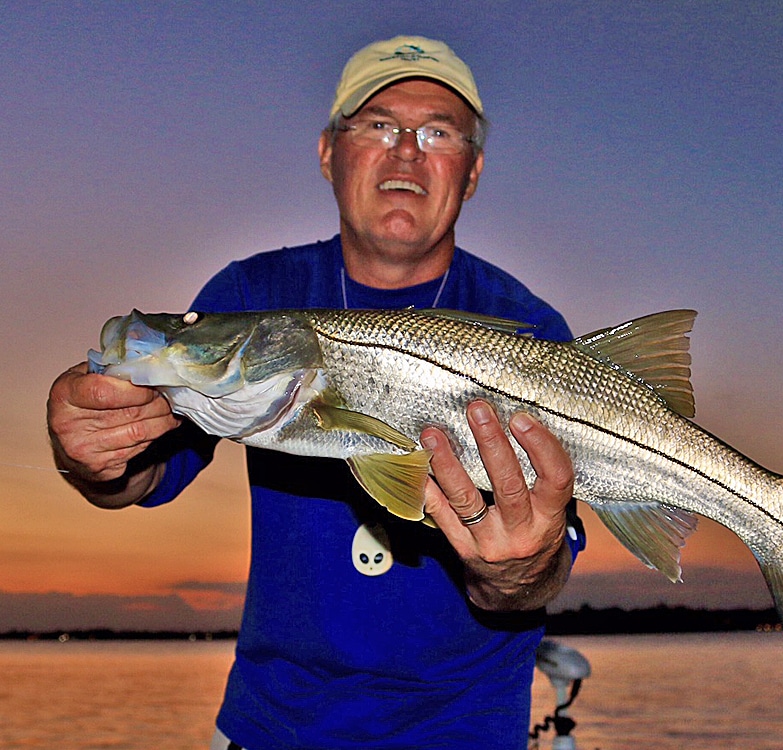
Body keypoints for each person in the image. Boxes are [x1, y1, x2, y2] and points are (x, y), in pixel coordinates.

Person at [47, 35, 584, 749]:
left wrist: (520, 569)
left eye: (438, 132)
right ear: (328, 152)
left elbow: (544, 567)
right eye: (377, 125)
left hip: (465, 728)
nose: (406, 152)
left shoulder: (532, 332)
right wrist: (90, 453)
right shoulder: (249, 294)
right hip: (274, 726)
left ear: (473, 169)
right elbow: (142, 477)